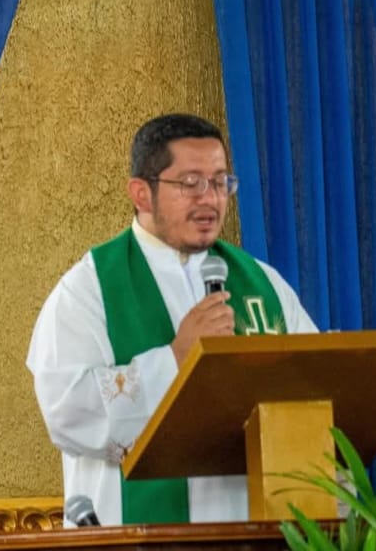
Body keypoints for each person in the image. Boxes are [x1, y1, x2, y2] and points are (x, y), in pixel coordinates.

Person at [27, 113, 317, 526]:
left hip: (253, 529)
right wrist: (175, 359)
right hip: (140, 532)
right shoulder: (89, 289)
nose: (210, 198)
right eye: (191, 183)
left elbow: (314, 393)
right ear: (141, 194)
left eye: (220, 182)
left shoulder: (263, 283)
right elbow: (67, 412)